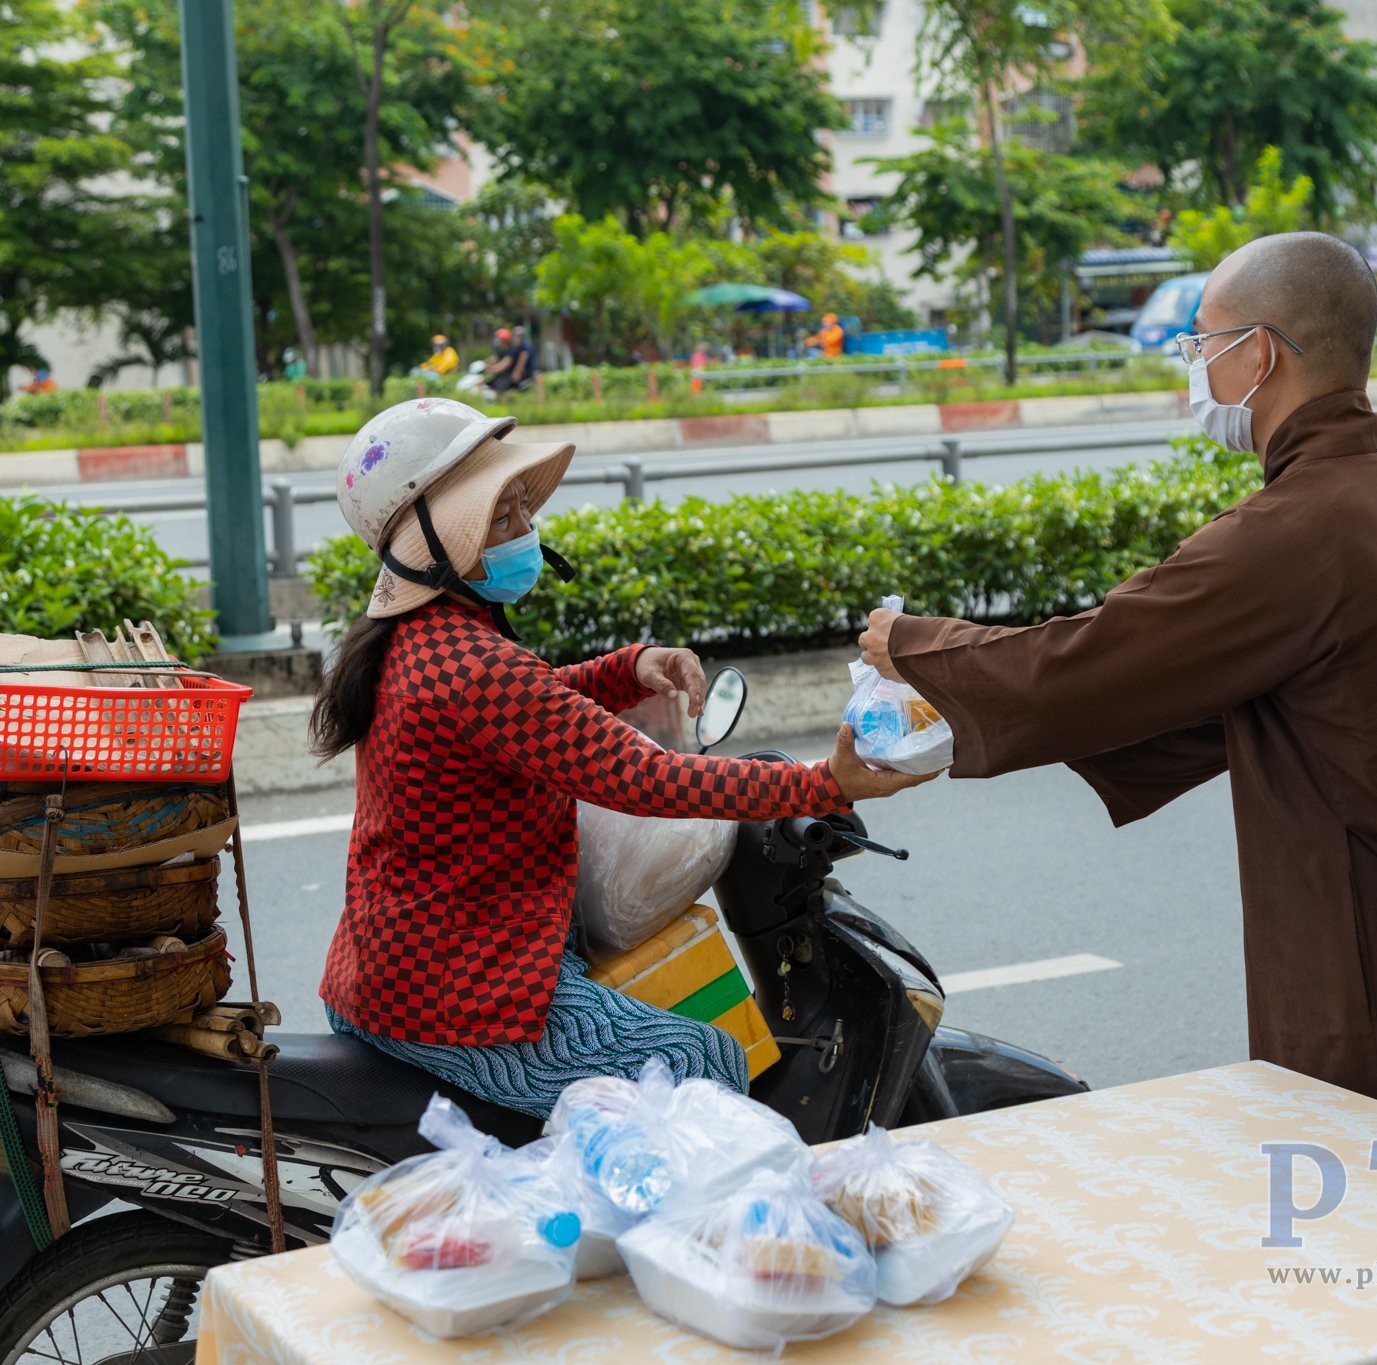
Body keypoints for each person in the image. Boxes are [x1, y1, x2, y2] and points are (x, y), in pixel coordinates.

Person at [856, 231, 1377, 1207]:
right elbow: (1230, 699)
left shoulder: (1299, 529)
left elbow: (1092, 660)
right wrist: (958, 724)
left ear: (1257, 353)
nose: (1192, 366)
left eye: (1199, 342)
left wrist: (912, 648)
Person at [312, 399, 936, 1116]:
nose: (526, 531)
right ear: (435, 546)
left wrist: (628, 669)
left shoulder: (427, 638)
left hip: (409, 969)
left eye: (522, 509)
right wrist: (821, 782)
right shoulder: (469, 663)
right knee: (700, 1061)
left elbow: (531, 711)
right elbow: (643, 778)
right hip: (457, 994)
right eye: (500, 518)